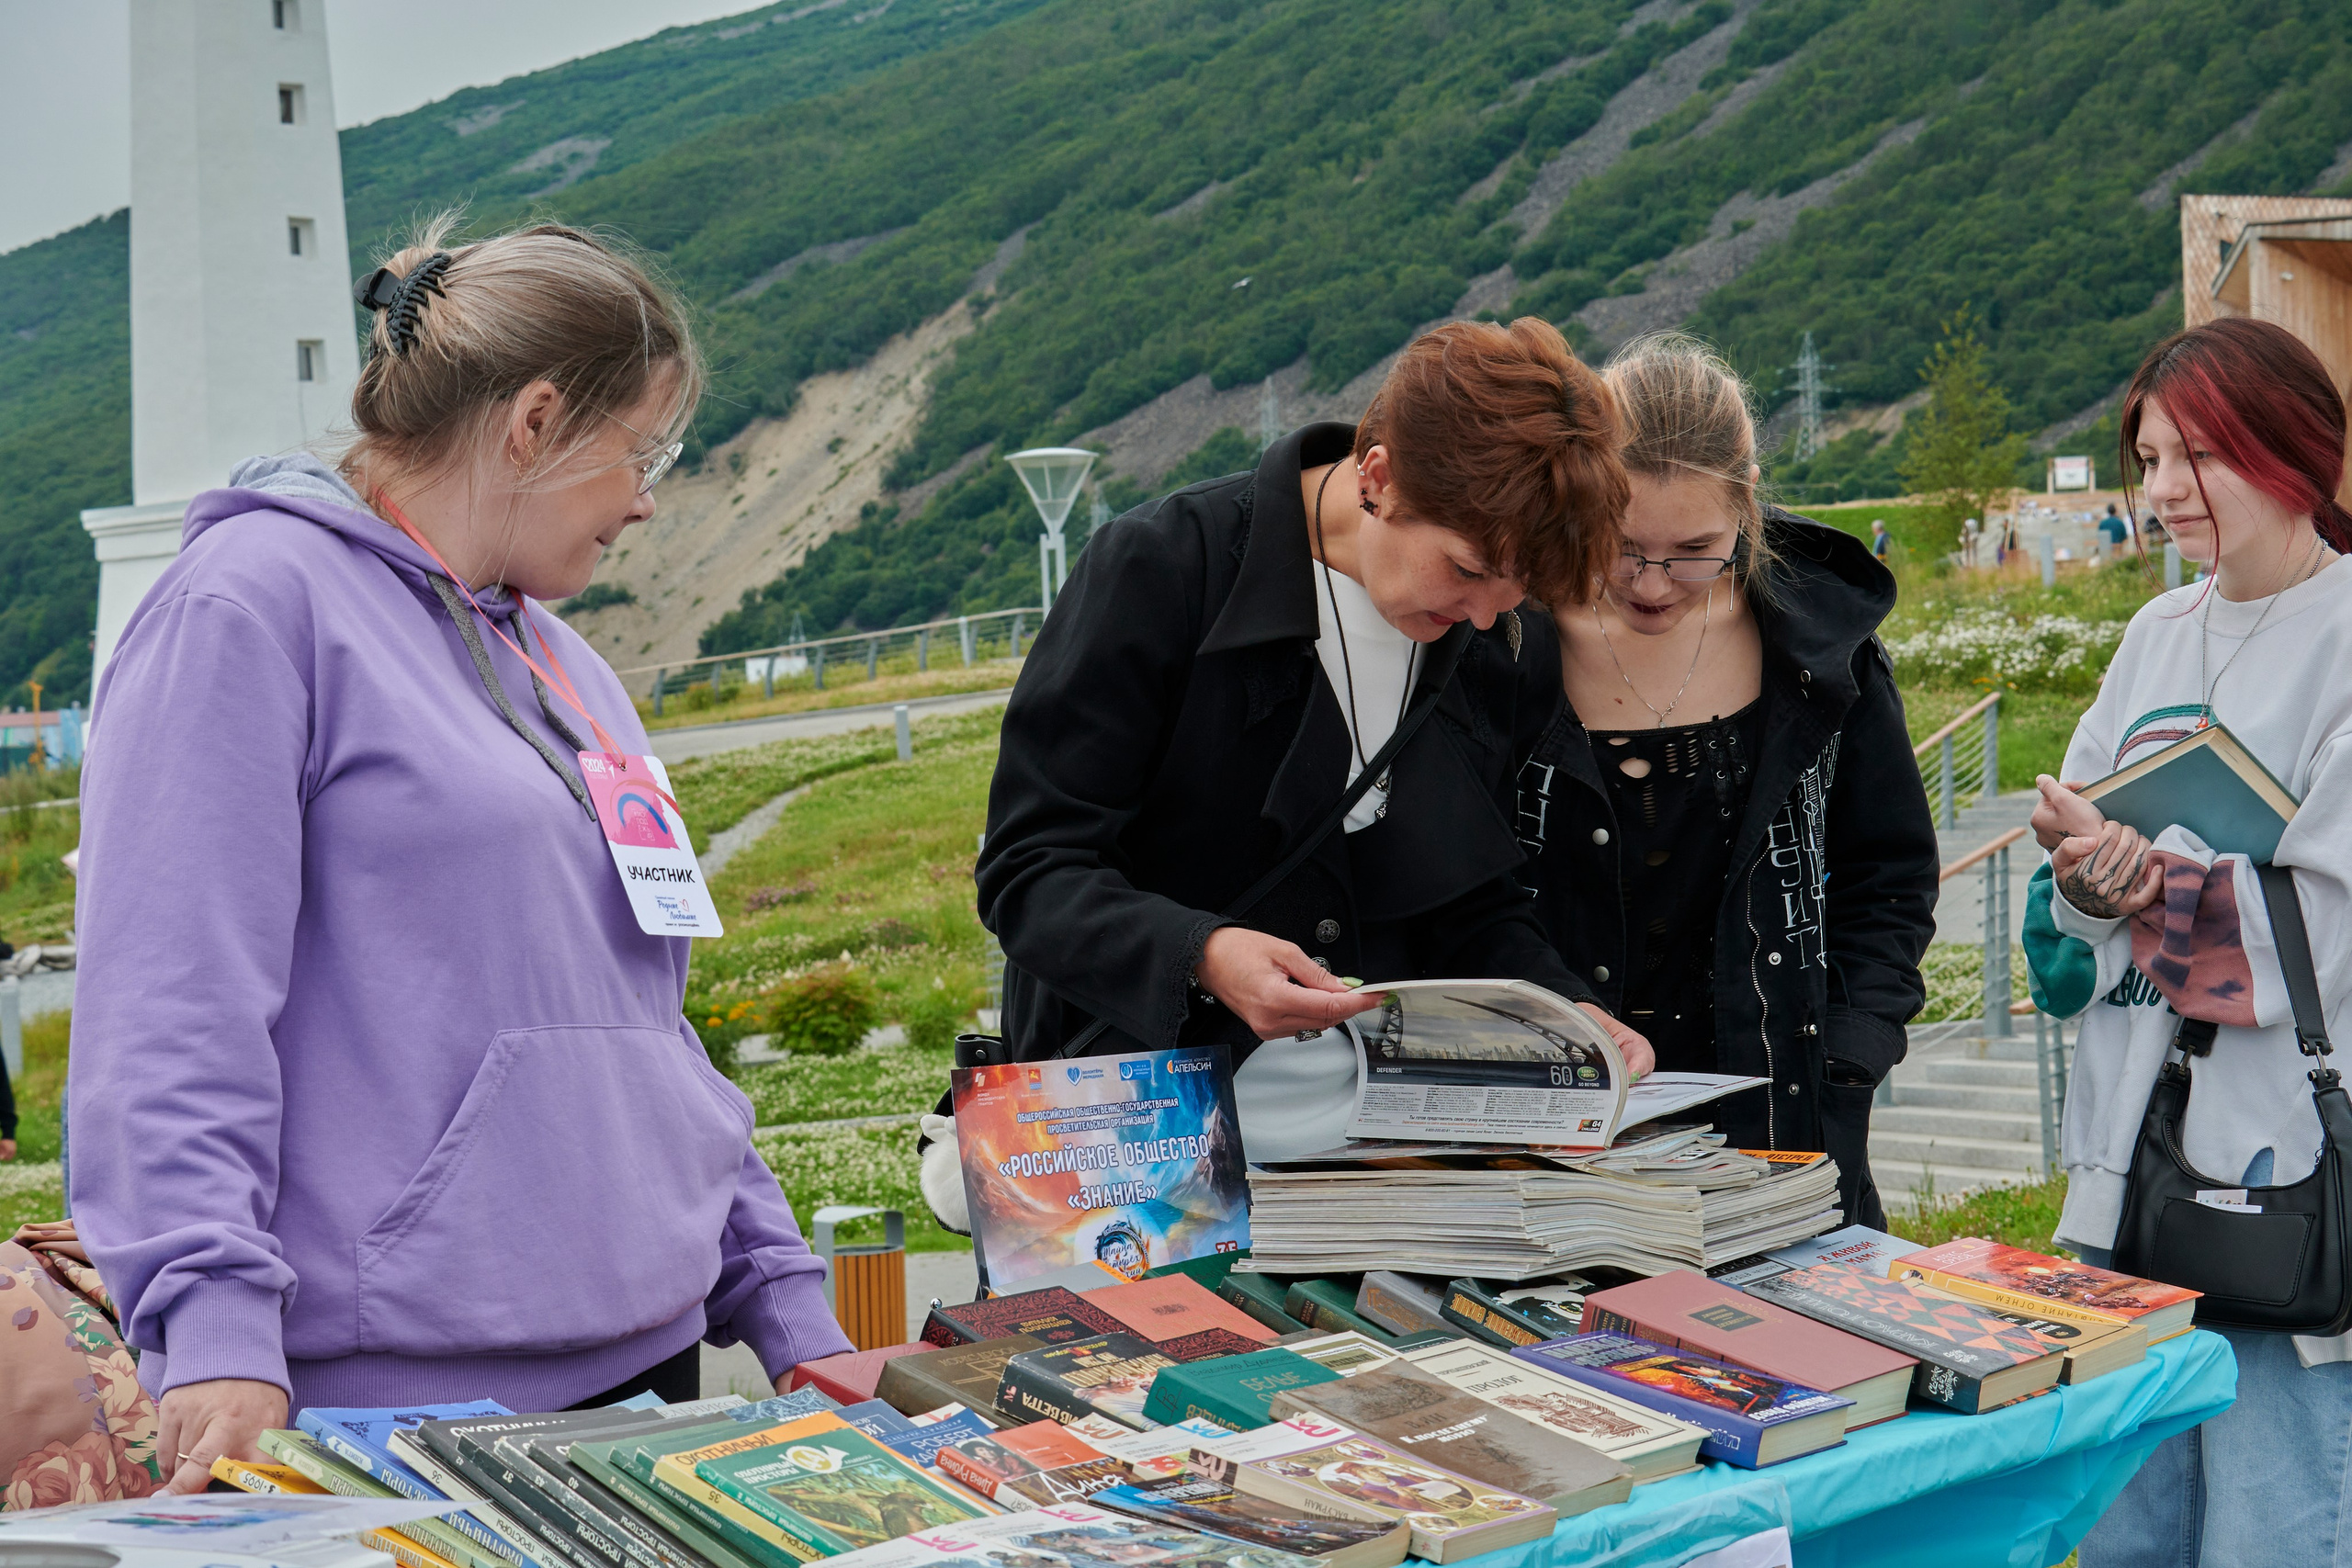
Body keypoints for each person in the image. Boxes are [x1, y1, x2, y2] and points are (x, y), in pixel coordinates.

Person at [69, 218, 851, 1492]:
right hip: (402, 1409)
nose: (649, 498)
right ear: (535, 419)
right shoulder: (247, 606)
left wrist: (782, 1297)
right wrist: (211, 1327)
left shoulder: (569, 661)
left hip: (650, 1371)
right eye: (640, 449)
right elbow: (169, 1008)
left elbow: (649, 1027)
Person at [955, 318, 1655, 1179]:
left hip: (1388, 1160)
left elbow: (1471, 904)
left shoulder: (1501, 636)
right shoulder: (1160, 570)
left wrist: (1571, 1012)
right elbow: (1029, 873)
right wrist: (1206, 955)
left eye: (1518, 591)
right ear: (1379, 475)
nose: (1483, 614)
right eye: (1469, 569)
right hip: (1133, 1147)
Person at [2023, 316, 2352, 1565]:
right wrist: (2086, 874)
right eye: (2149, 456)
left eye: (2195, 456)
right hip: (2132, 1167)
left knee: (2279, 1527)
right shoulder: (2156, 635)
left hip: (2289, 1176)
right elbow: (2075, 930)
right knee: (2122, 1533)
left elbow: (2315, 935)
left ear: (2295, 454)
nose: (2161, 490)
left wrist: (2146, 873)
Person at [1514, 334, 1939, 1227]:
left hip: (1781, 1131)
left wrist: (1852, 1051)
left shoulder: (1824, 657)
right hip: (1557, 1134)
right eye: (1622, 546)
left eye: (1694, 550)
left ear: (1746, 505)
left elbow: (1889, 875)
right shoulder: (1505, 643)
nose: (1655, 584)